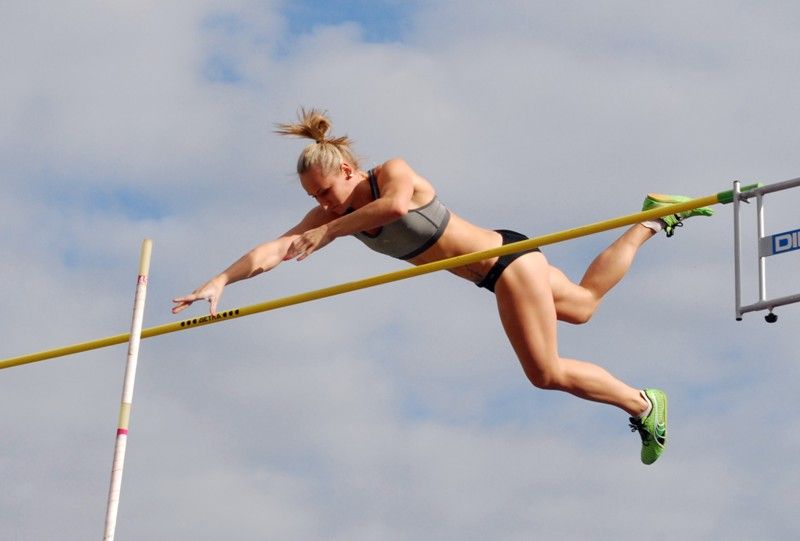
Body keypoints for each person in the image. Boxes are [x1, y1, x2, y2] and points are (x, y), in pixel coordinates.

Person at [172, 108, 713, 465]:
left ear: (347, 168)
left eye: (327, 192)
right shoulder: (329, 213)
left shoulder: (390, 173)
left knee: (545, 372)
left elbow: (396, 208)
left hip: (504, 263)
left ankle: (643, 405)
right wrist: (220, 280)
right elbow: (273, 250)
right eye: (316, 198)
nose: (324, 205)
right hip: (497, 270)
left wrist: (328, 230)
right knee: (584, 305)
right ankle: (652, 219)